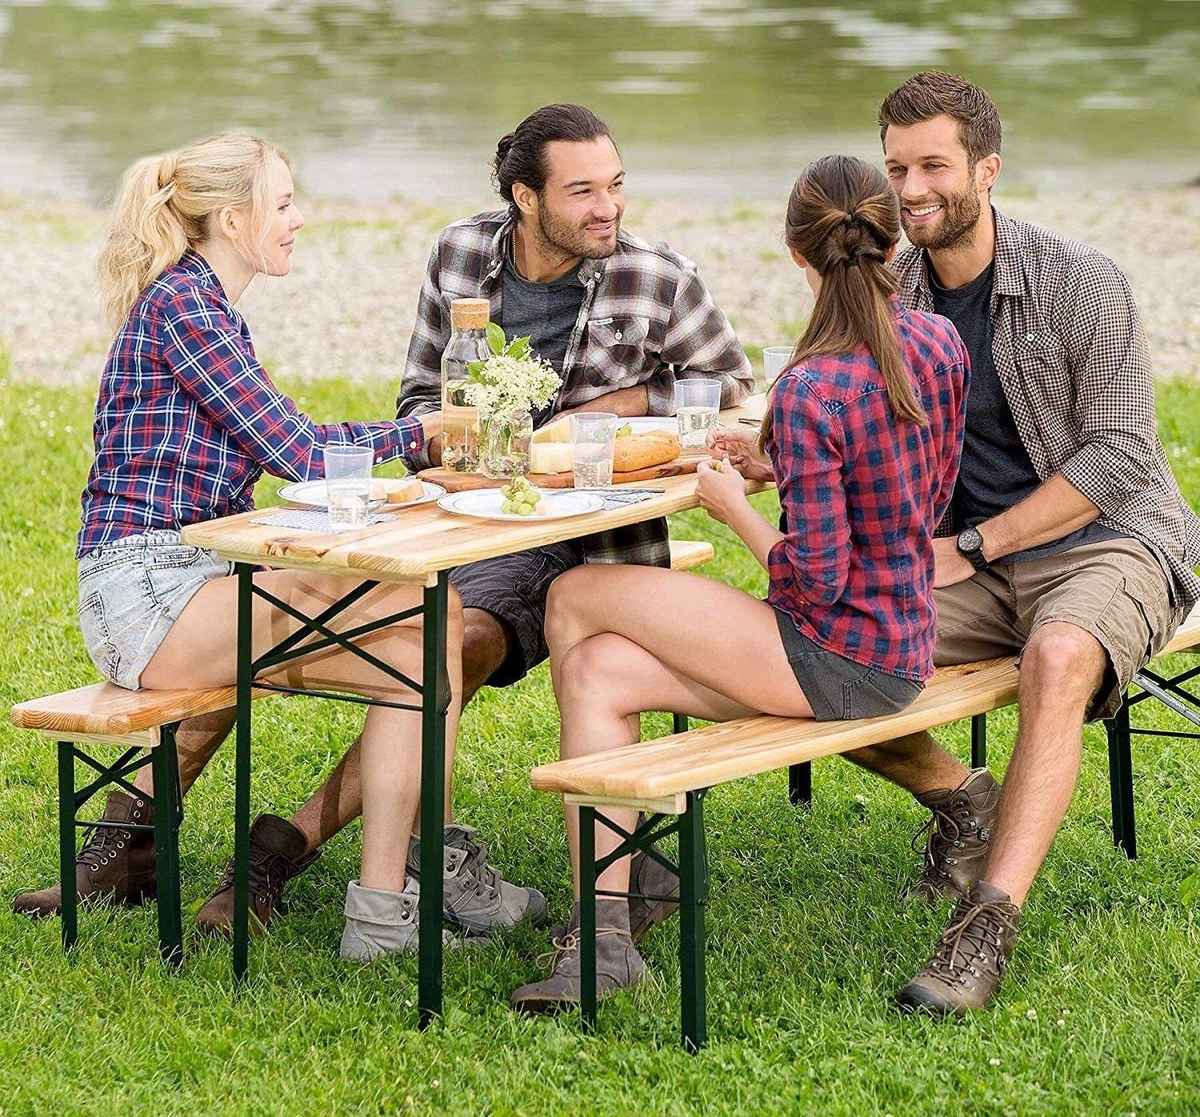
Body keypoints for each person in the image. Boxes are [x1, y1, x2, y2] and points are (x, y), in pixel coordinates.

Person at [143, 102, 754, 940]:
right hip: (481, 521)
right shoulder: (461, 256)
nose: (607, 207)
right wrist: (451, 445)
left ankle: (278, 852)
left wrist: (614, 407)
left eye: (615, 185)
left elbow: (729, 386)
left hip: (601, 534)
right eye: (583, 191)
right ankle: (152, 840)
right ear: (525, 197)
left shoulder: (657, 276)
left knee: (421, 640)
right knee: (416, 626)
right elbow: (419, 400)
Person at [718, 72, 1200, 1016]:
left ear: (987, 166)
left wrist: (974, 545)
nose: (911, 188)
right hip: (959, 557)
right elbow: (868, 430)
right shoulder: (884, 283)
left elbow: (1116, 457)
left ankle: (985, 927)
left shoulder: (1081, 281)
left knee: (1059, 657)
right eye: (896, 168)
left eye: (933, 165)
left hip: (1109, 542)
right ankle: (961, 798)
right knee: (809, 642)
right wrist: (788, 461)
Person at [509, 154, 970, 1011]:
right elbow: (919, 493)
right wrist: (786, 462)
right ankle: (607, 927)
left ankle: (623, 871)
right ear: (892, 240)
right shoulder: (937, 343)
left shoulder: (811, 386)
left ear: (799, 256)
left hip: (836, 654)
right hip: (902, 636)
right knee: (593, 669)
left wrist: (732, 507)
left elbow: (817, 577)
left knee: (573, 596)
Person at [12, 132, 482, 960]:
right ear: (232, 218)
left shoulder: (205, 304)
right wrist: (423, 435)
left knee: (425, 638)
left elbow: (290, 448)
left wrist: (413, 447)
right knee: (421, 634)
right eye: (286, 202)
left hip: (191, 580)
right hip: (146, 597)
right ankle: (382, 909)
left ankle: (378, 906)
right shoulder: (184, 307)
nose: (299, 220)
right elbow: (298, 452)